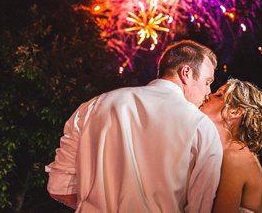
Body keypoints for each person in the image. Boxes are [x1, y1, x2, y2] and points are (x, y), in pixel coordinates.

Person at [46, 39, 224, 212]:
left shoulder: (93, 106)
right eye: (207, 82)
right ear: (186, 73)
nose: (208, 92)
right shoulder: (202, 126)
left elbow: (60, 187)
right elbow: (201, 207)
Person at [199, 79, 262, 213]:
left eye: (218, 96)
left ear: (234, 112)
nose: (208, 95)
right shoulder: (238, 152)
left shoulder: (235, 157)